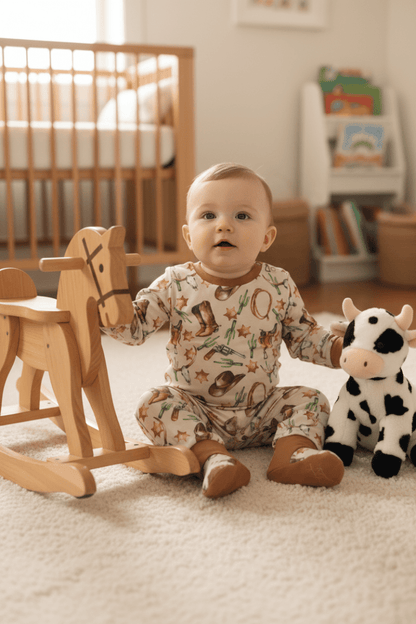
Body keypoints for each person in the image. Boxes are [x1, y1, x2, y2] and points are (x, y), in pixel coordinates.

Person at [103, 163, 344, 498]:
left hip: (262, 409)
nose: (224, 225)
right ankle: (213, 459)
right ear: (189, 235)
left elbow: (304, 338)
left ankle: (293, 455)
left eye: (242, 216)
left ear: (266, 238)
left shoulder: (278, 283)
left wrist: (342, 349)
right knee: (153, 403)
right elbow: (134, 329)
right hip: (194, 405)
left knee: (312, 399)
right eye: (208, 216)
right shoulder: (175, 283)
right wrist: (108, 306)